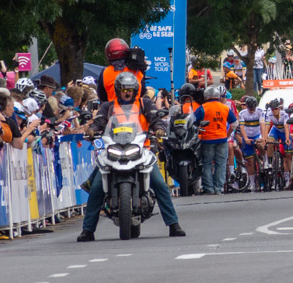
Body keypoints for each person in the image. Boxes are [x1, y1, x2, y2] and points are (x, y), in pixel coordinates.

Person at [77, 71, 184, 241]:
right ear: (118, 90)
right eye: (124, 89)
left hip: (142, 150)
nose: (127, 92)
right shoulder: (108, 106)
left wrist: (159, 129)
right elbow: (99, 122)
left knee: (160, 185)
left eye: (130, 89)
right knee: (96, 187)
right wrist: (92, 130)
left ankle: (173, 224)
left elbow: (155, 119)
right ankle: (87, 230)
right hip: (113, 150)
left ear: (136, 90)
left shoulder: (145, 104)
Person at [192, 85, 236, 194]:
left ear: (206, 96)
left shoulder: (203, 108)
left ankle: (209, 188)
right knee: (220, 164)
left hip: (206, 139)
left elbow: (192, 121)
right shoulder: (225, 108)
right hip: (222, 139)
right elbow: (234, 124)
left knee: (207, 163)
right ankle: (218, 188)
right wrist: (227, 134)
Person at [235, 95, 264, 185]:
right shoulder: (242, 113)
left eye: (253, 108)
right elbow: (242, 127)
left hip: (257, 134)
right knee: (250, 162)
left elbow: (262, 125)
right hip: (247, 136)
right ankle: (252, 183)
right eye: (250, 108)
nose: (251, 110)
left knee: (260, 145)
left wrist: (262, 137)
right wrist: (246, 138)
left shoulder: (260, 111)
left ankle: (265, 159)